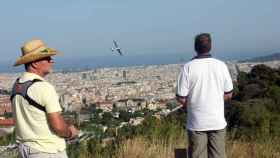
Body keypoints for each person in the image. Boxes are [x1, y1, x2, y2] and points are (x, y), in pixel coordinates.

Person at [11, 39, 79, 158]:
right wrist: (70, 133)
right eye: (47, 58)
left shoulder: (17, 86)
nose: (51, 61)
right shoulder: (44, 88)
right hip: (47, 151)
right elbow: (57, 126)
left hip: (25, 150)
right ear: (34, 63)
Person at [176, 33, 233, 158]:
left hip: (197, 122)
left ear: (195, 47)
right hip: (217, 121)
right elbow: (229, 94)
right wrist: (215, 100)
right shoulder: (221, 66)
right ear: (211, 46)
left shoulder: (188, 68)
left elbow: (181, 97)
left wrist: (192, 104)